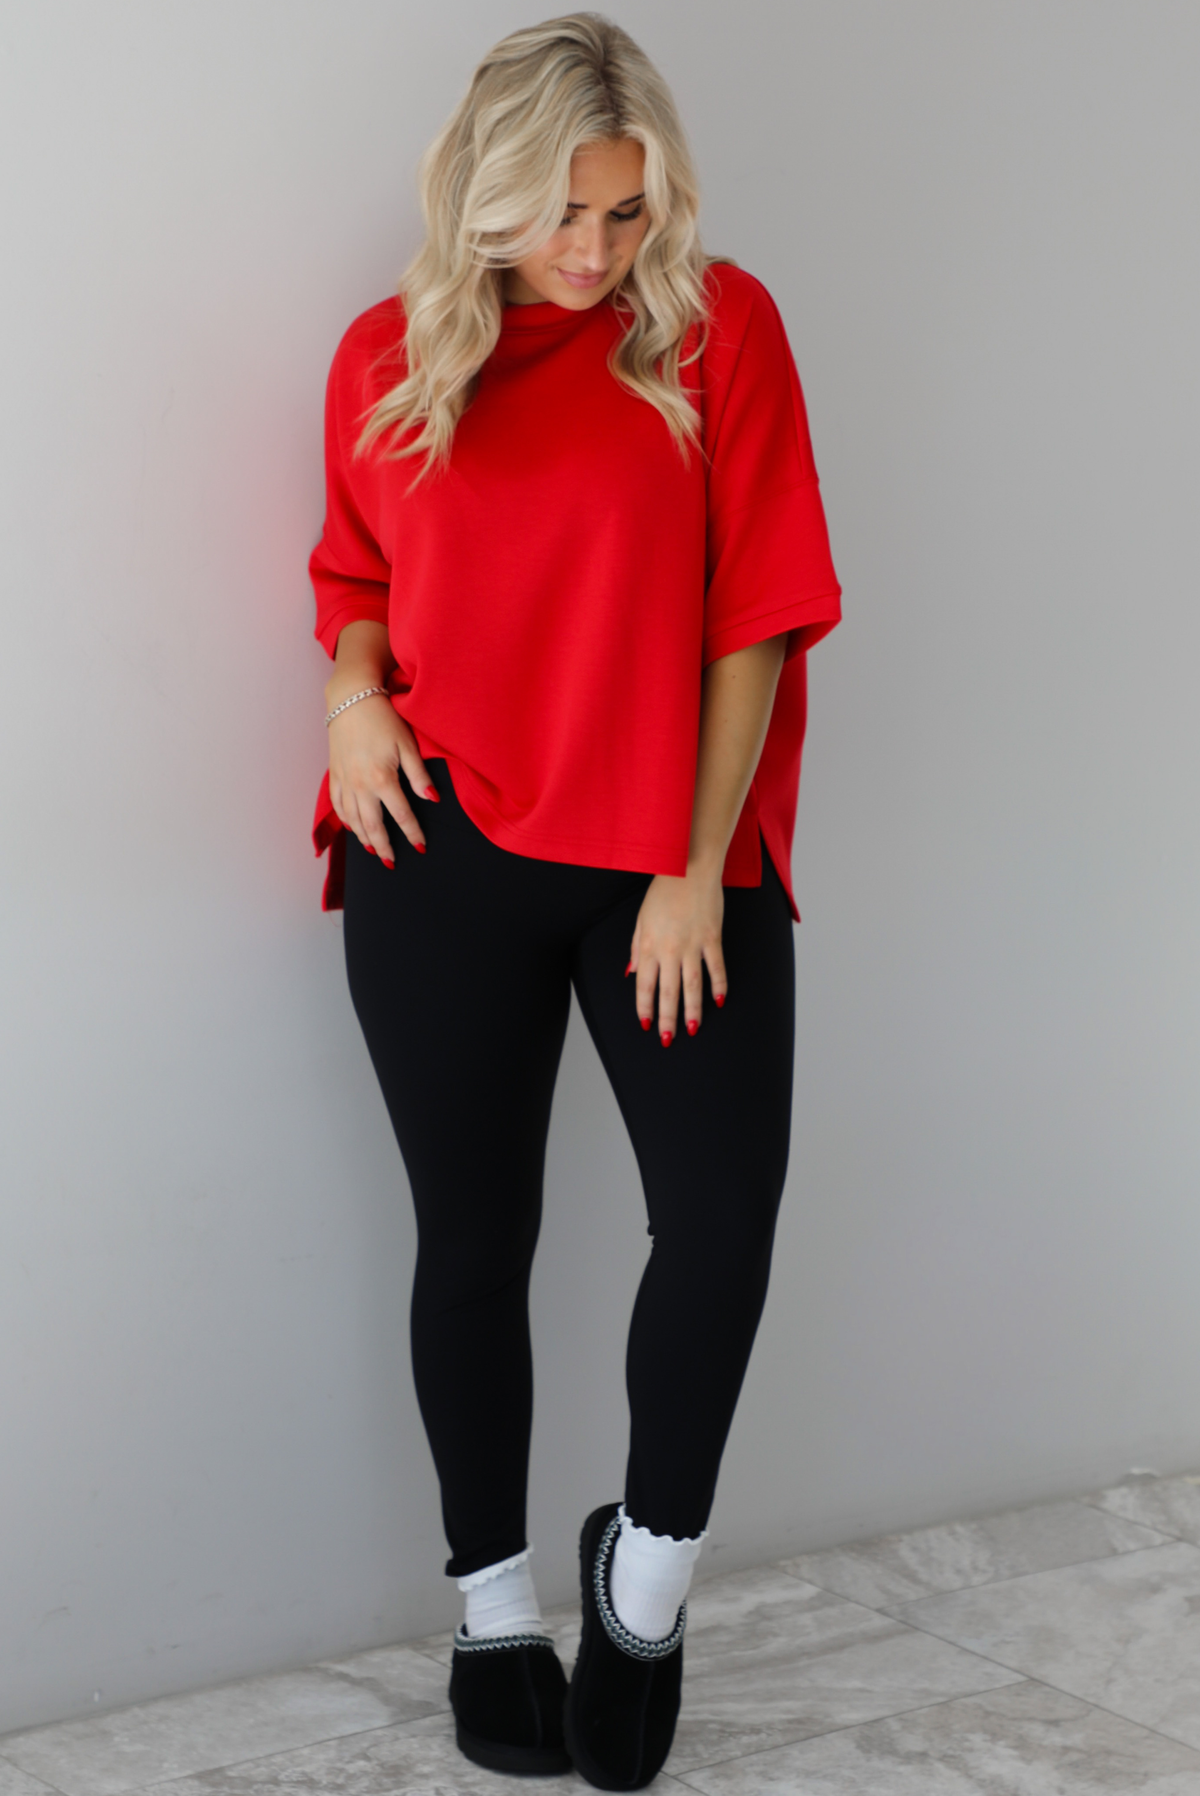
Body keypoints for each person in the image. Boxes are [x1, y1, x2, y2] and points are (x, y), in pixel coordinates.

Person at [308, 12, 841, 1789]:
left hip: (665, 856)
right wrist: (352, 693)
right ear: (486, 194)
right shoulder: (389, 353)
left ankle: (648, 1589)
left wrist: (695, 867)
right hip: (436, 852)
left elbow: (756, 609)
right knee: (475, 1238)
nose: (595, 253)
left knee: (723, 1212)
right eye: (561, 218)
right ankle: (490, 1613)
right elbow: (357, 574)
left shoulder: (717, 329)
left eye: (624, 212)